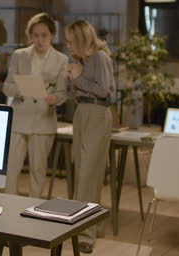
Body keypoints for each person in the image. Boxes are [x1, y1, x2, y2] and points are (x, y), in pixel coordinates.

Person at [2, 13, 68, 198]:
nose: (40, 40)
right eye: (36, 35)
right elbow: (7, 86)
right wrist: (20, 89)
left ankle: (32, 210)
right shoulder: (19, 55)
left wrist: (55, 99)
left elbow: (63, 93)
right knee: (11, 168)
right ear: (30, 36)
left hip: (43, 119)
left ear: (52, 35)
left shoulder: (61, 59)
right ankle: (8, 207)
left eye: (44, 35)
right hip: (19, 118)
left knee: (38, 170)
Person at [65, 20, 115, 253]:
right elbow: (81, 89)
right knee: (82, 170)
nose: (68, 45)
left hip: (96, 113)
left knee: (89, 174)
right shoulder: (83, 59)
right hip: (82, 112)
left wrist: (78, 78)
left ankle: (85, 232)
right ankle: (90, 225)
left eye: (70, 41)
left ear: (82, 39)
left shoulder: (99, 57)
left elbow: (105, 91)